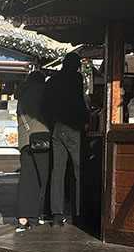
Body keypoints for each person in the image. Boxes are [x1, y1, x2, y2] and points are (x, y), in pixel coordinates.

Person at [47, 52, 87, 227]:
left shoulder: (53, 81)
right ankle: (79, 212)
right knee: (79, 170)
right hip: (73, 127)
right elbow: (78, 101)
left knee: (58, 171)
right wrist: (85, 119)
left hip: (57, 127)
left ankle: (56, 214)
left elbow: (46, 104)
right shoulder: (76, 78)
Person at [14, 71, 50, 232]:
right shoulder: (41, 90)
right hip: (41, 137)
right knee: (44, 177)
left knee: (27, 179)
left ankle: (23, 217)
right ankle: (41, 213)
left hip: (25, 140)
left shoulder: (21, 94)